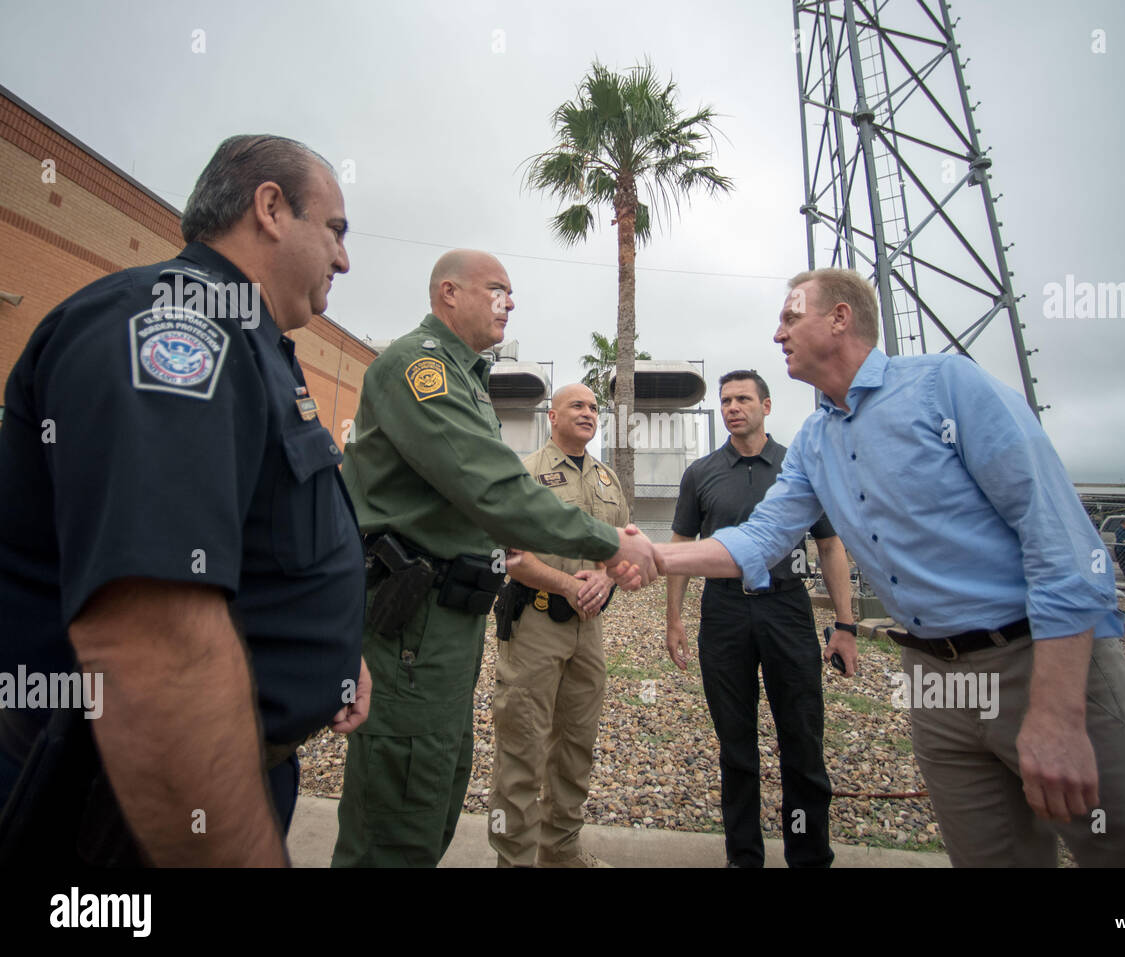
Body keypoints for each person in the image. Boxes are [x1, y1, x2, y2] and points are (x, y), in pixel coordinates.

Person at [634, 267, 1125, 867]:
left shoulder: (946, 387)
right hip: (935, 680)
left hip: (1036, 661)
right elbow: (759, 540)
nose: (777, 333)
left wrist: (1058, 712)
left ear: (840, 317)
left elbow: (1062, 544)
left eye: (790, 317)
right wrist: (653, 555)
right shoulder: (815, 442)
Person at [0, 134, 370, 867]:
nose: (344, 260)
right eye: (335, 230)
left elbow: (259, 544)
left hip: (229, 767)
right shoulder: (177, 327)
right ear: (270, 207)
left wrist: (330, 648)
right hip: (137, 802)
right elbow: (153, 644)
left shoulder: (252, 343)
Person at [331, 250, 657, 867]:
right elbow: (494, 489)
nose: (511, 302)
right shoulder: (418, 368)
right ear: (448, 294)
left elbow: (483, 497)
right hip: (412, 623)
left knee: (436, 788)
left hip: (449, 622)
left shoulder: (466, 377)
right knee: (400, 807)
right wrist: (614, 543)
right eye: (498, 290)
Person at [666, 369, 857, 868]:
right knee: (736, 744)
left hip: (786, 608)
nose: (733, 407)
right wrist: (674, 619)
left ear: (766, 406)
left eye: (744, 399)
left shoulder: (799, 467)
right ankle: (743, 856)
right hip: (724, 611)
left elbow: (831, 546)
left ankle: (809, 855)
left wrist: (846, 624)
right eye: (726, 400)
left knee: (802, 737)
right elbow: (682, 548)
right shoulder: (701, 473)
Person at [487, 383, 627, 868]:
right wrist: (567, 585)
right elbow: (511, 557)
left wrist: (606, 579)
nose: (588, 413)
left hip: (589, 632)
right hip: (536, 625)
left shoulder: (608, 480)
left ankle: (560, 851)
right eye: (577, 406)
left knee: (576, 747)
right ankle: (514, 859)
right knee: (522, 749)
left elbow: (622, 550)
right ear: (552, 416)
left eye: (593, 408)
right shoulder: (526, 474)